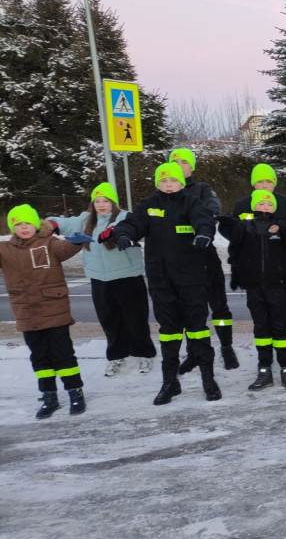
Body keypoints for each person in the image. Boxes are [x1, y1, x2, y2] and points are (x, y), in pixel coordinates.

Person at [102, 162, 221, 404]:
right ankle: (170, 383)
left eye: (174, 181)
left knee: (198, 329)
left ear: (181, 182)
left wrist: (203, 234)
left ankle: (208, 379)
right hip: (161, 281)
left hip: (191, 279)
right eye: (164, 181)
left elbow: (204, 220)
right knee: (168, 333)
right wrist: (124, 235)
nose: (169, 185)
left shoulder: (191, 202)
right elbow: (133, 223)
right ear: (157, 183)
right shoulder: (149, 204)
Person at [47, 182, 156, 376]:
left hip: (127, 277)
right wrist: (52, 224)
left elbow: (127, 227)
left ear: (113, 202)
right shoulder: (86, 220)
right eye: (97, 201)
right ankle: (116, 356)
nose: (101, 204)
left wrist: (115, 232)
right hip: (99, 279)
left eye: (105, 200)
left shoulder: (124, 217)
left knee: (135, 319)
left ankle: (144, 354)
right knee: (109, 320)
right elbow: (65, 223)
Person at [1, 204, 91, 418]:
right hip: (26, 313)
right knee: (39, 357)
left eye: (28, 223)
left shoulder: (49, 243)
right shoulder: (5, 249)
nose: (24, 228)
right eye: (19, 224)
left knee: (63, 355)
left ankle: (75, 393)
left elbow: (65, 249)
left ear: (36, 224)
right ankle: (49, 396)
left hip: (54, 309)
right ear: (13, 227)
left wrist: (77, 241)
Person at [217, 190, 286, 392]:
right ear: (253, 206)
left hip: (277, 286)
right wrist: (225, 222)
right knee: (261, 328)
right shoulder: (245, 226)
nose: (264, 208)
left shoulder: (279, 227)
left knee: (280, 327)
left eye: (268, 205)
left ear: (273, 208)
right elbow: (231, 233)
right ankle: (264, 368)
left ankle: (285, 367)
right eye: (261, 204)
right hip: (254, 287)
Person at [229, 163, 286, 369]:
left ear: (274, 183)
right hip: (256, 271)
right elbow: (236, 240)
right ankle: (267, 357)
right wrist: (237, 269)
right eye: (260, 181)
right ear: (253, 184)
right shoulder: (242, 205)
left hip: (284, 268)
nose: (264, 186)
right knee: (263, 317)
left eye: (268, 181)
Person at [169, 148, 238, 372]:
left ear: (192, 167)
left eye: (184, 162)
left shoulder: (202, 190)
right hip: (179, 262)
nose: (179, 165)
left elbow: (212, 208)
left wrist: (196, 222)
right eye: (175, 161)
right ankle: (193, 353)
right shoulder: (165, 191)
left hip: (205, 256)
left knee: (218, 306)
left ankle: (226, 348)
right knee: (190, 310)